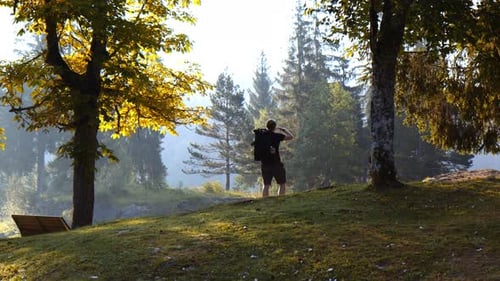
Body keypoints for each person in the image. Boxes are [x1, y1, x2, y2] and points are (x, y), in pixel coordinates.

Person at [261, 119, 293, 197]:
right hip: (276, 163)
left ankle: (265, 202)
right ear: (274, 127)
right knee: (282, 183)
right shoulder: (276, 136)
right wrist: (284, 130)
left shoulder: (261, 136)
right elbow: (290, 137)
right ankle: (280, 201)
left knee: (266, 185)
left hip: (265, 164)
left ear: (267, 126)